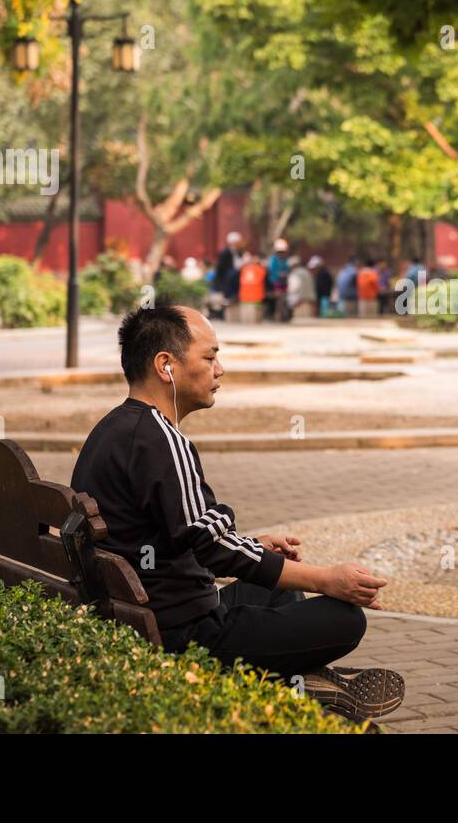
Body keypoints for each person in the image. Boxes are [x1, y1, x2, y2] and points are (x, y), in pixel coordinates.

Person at [70, 304, 405, 721]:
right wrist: (327, 579)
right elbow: (212, 545)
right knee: (344, 618)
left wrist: (255, 546)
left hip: (143, 615)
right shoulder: (161, 440)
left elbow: (177, 535)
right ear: (166, 365)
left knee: (277, 583)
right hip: (184, 636)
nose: (220, 369)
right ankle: (296, 684)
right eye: (209, 357)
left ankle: (301, 679)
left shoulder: (113, 430)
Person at [266, 238, 291, 322]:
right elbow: (272, 272)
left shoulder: (285, 260)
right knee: (278, 298)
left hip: (283, 283)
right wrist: (279, 275)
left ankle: (282, 316)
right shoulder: (273, 259)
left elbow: (287, 269)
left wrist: (286, 274)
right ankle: (275, 316)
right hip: (275, 283)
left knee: (283, 299)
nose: (281, 254)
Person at [238, 252, 266, 323]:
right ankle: (255, 320)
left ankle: (246, 320)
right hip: (256, 294)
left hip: (245, 295)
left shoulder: (245, 269)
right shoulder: (260, 269)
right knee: (256, 309)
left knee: (247, 309)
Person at [285, 255, 316, 319]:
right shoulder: (306, 271)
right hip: (310, 297)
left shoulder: (294, 274)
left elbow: (293, 288)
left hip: (298, 298)